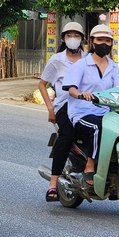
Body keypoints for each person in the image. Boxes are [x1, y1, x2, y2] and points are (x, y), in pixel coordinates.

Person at [62, 24, 119, 190]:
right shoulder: (81, 65)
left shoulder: (113, 67)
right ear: (92, 41)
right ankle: (90, 165)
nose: (104, 43)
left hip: (105, 111)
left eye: (107, 40)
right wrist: (81, 94)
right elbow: (71, 88)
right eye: (100, 40)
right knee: (97, 127)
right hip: (82, 112)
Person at [38, 22, 88, 202]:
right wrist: (50, 108)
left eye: (76, 36)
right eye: (69, 36)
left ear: (82, 39)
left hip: (85, 105)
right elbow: (42, 84)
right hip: (64, 106)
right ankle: (53, 184)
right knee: (66, 136)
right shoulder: (57, 60)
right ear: (63, 39)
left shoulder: (89, 59)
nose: (73, 39)